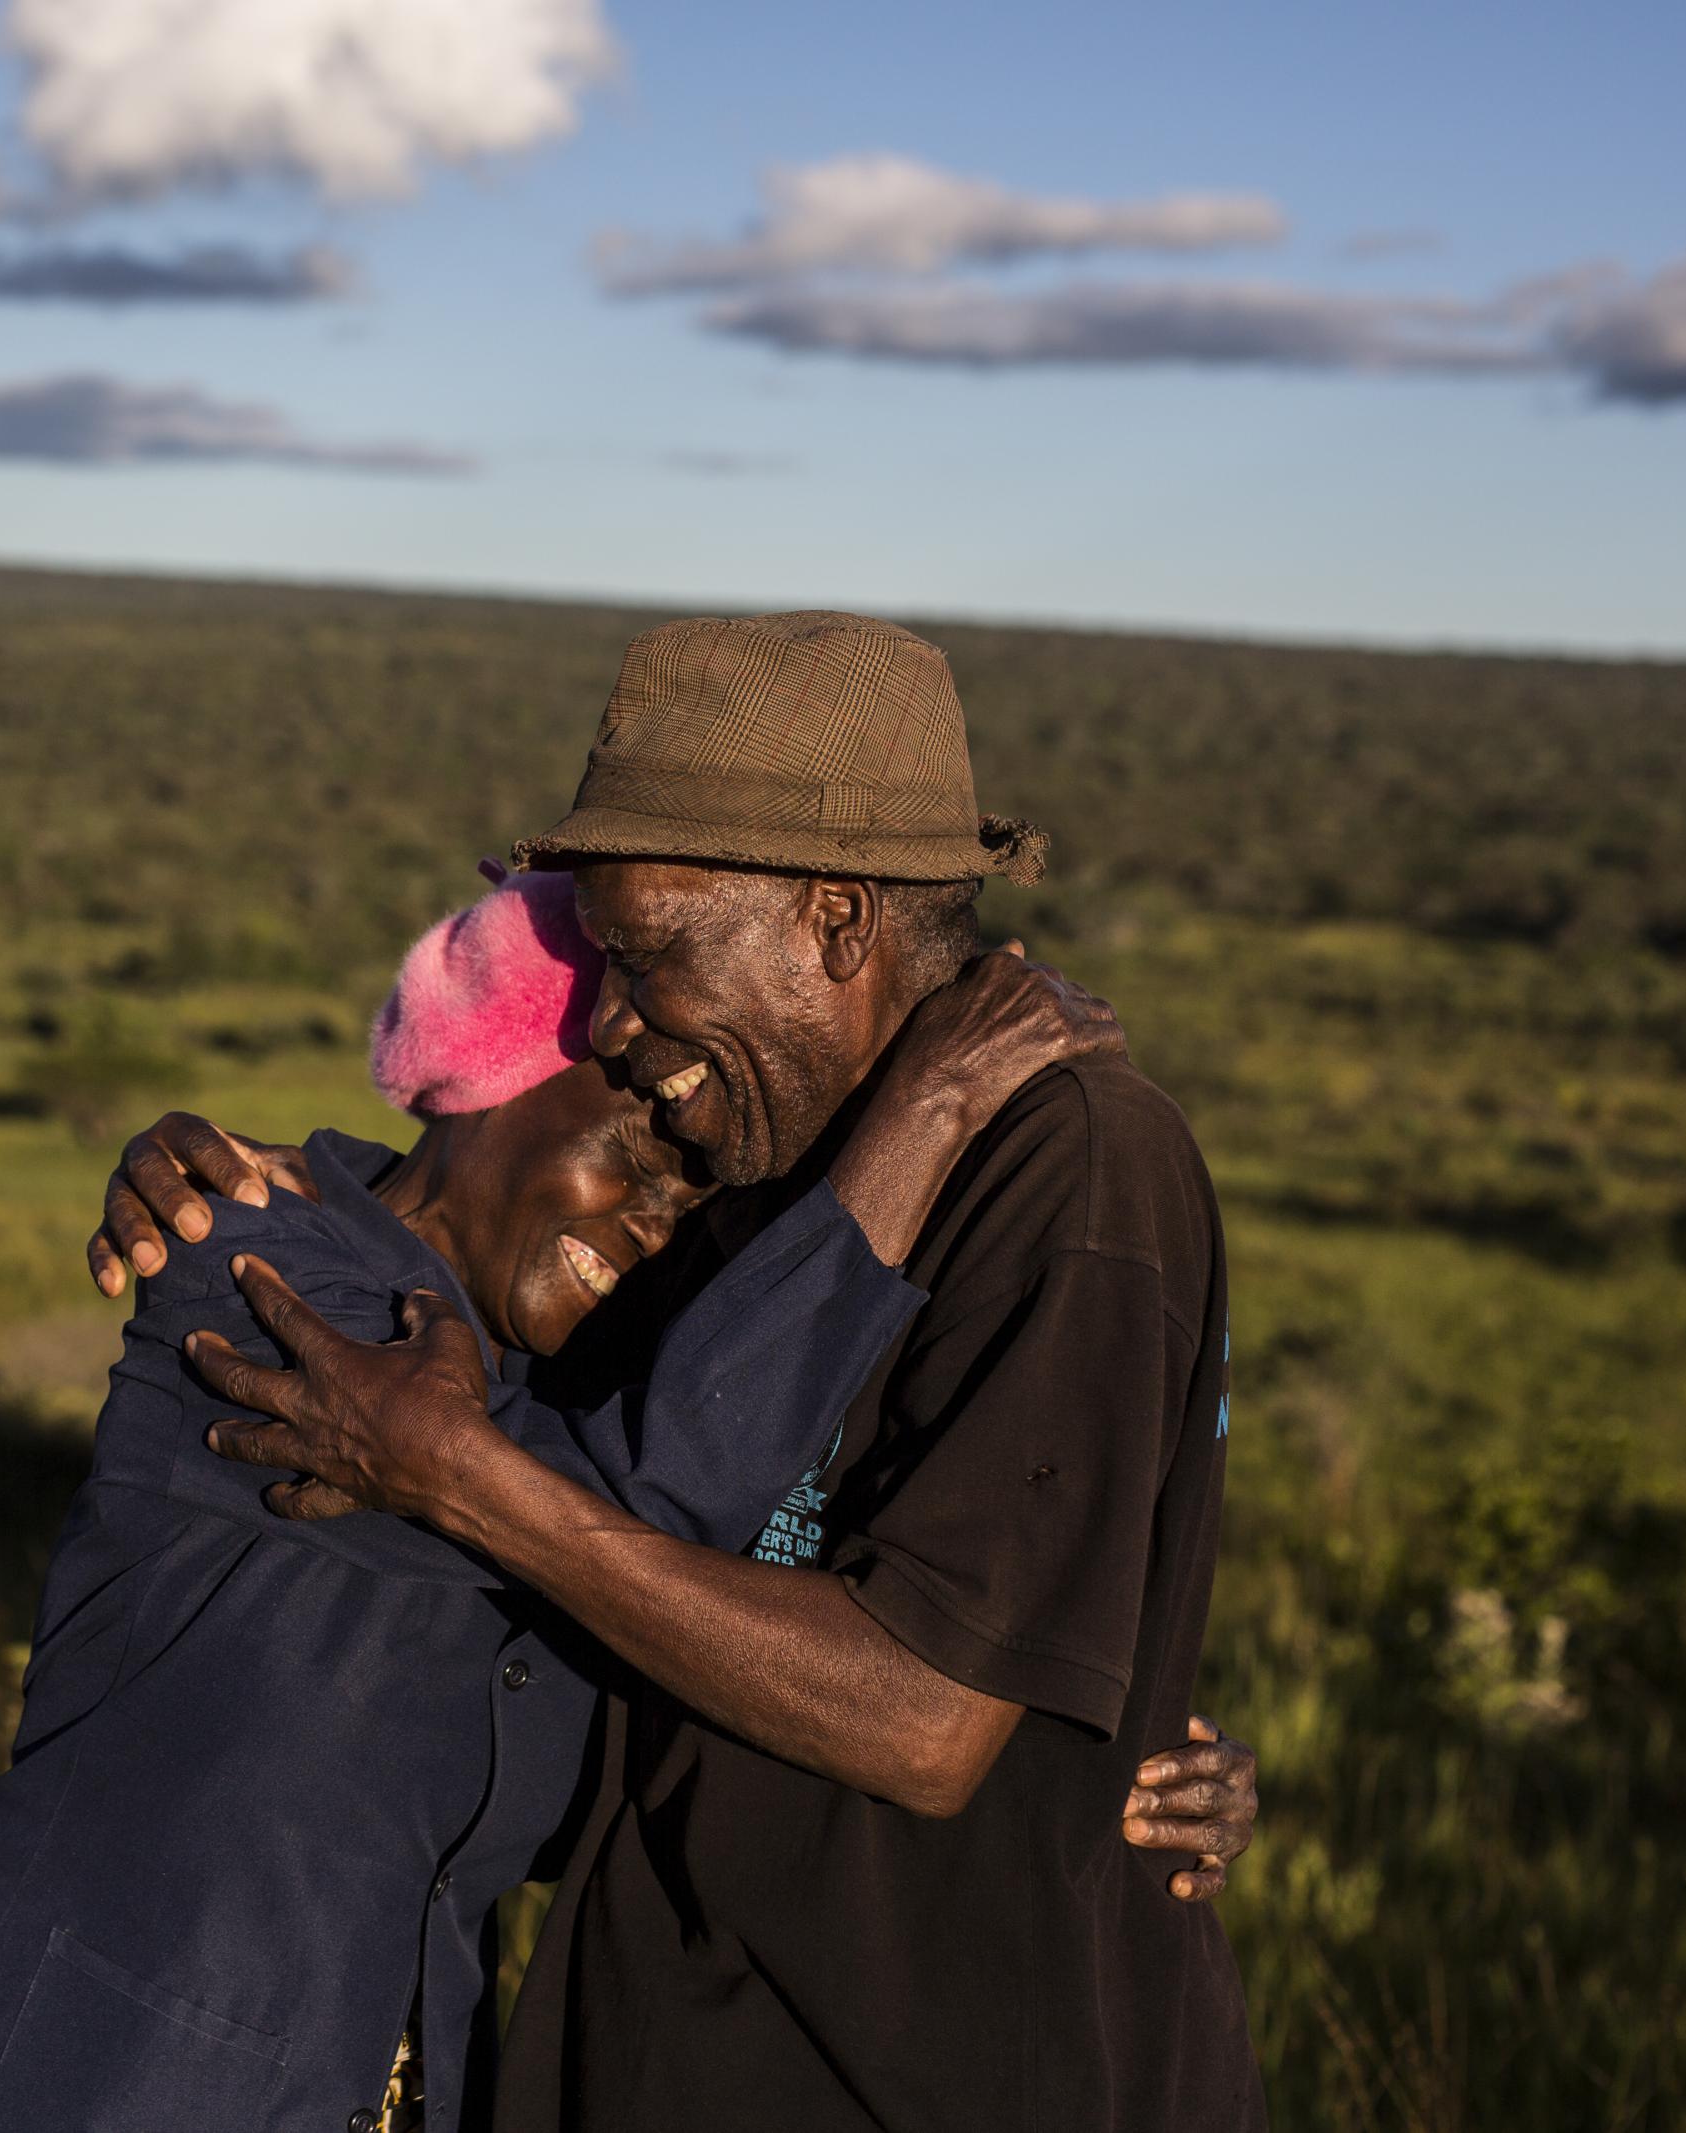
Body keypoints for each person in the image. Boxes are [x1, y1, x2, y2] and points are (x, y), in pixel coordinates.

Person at [0, 861, 1255, 2133]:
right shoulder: (259, 1279)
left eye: (686, 1203)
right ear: (477, 1085)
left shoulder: (519, 1420)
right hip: (84, 2075)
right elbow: (656, 1493)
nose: (650, 1216)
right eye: (634, 1147)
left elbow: (654, 1676)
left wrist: (1073, 1764)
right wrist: (922, 1114)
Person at [143, 610, 1267, 2129]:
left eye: (652, 954)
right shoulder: (755, 1171)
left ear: (838, 919)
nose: (610, 1021)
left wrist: (465, 1481)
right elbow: (597, 1514)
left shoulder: (1073, 1170)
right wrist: (226, 1186)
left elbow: (926, 1717)